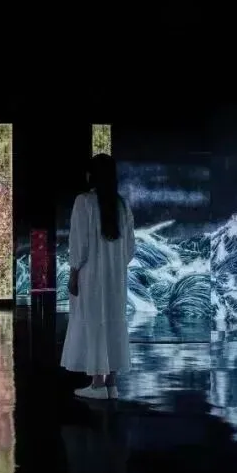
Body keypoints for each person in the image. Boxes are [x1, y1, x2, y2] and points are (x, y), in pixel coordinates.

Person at [61, 153, 135, 399]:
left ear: (91, 175)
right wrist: (116, 266)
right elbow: (130, 248)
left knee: (94, 323)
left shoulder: (84, 202)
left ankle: (96, 384)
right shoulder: (121, 204)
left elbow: (79, 244)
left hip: (91, 276)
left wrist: (74, 273)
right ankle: (111, 384)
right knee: (114, 322)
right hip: (116, 278)